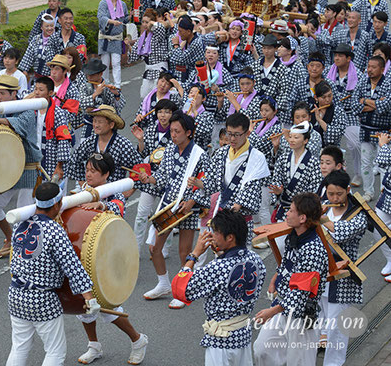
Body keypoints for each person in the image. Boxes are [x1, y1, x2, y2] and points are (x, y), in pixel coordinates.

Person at [6, 182, 99, 366]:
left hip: (16, 295)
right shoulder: (55, 230)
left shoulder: (20, 224)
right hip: (42, 300)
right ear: (57, 204)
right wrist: (89, 297)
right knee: (55, 352)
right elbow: (72, 266)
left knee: (19, 347)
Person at [74, 153, 149, 365]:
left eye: (94, 171)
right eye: (87, 169)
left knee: (109, 309)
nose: (88, 174)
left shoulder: (115, 193)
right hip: (84, 255)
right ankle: (94, 345)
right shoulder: (82, 192)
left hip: (108, 259)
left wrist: (102, 206)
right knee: (85, 306)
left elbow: (118, 208)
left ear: (106, 174)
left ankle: (138, 339)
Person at [171, 209, 266, 365]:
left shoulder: (217, 267)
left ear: (230, 238)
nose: (211, 235)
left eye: (215, 232)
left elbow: (181, 289)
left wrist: (194, 254)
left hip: (221, 341)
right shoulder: (256, 260)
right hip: (243, 336)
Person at [139, 111, 213, 309]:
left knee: (184, 252)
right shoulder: (170, 150)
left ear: (189, 132)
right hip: (168, 204)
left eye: (177, 131)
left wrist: (193, 201)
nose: (173, 135)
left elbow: (207, 184)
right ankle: (163, 283)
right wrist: (151, 179)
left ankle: (183, 290)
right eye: (171, 131)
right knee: (154, 247)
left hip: (186, 207)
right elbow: (162, 178)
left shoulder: (200, 155)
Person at [253, 193, 328, 366]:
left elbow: (301, 293)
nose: (286, 213)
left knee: (299, 362)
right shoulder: (294, 236)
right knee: (262, 350)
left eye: (291, 210)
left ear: (302, 218)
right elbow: (287, 265)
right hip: (284, 307)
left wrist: (272, 312)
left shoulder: (313, 250)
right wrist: (275, 278)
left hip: (301, 315)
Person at [0, 75, 42, 259]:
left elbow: (22, 125)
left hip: (28, 168)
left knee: (23, 212)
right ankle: (10, 238)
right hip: (8, 169)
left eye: (2, 93)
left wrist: (0, 121)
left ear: (14, 93)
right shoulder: (0, 111)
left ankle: (25, 251)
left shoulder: (27, 110)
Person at [319, 170, 367, 365]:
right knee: (318, 320)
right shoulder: (324, 207)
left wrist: (320, 219)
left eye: (339, 193)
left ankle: (334, 364)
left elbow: (340, 233)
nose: (335, 198)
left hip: (342, 276)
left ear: (348, 190)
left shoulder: (359, 214)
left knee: (336, 328)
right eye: (331, 194)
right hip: (320, 272)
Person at [205, 112, 270, 245]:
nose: (232, 139)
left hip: (240, 216)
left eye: (236, 134)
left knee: (242, 254)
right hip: (222, 213)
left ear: (247, 133)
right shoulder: (221, 153)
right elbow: (211, 181)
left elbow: (252, 186)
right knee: (221, 254)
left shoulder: (257, 157)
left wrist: (236, 207)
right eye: (229, 134)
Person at [131, 98, 178, 248]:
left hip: (169, 178)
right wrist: (140, 141)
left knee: (166, 216)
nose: (163, 115)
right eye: (160, 112)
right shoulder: (150, 130)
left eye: (167, 112)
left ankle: (164, 248)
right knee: (141, 215)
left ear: (173, 114)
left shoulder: (177, 131)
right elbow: (144, 153)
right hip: (150, 177)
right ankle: (136, 248)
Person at [67, 105, 142, 185]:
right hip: (93, 193)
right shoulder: (90, 141)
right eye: (94, 121)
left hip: (114, 192)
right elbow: (74, 161)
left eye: (100, 122)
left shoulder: (123, 144)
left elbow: (140, 168)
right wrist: (83, 183)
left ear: (111, 125)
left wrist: (127, 191)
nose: (96, 125)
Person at [270, 121, 321, 232]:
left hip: (303, 213)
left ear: (305, 140)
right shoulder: (283, 158)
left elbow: (315, 189)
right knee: (280, 244)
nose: (292, 140)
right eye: (291, 137)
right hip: (285, 209)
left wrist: (304, 206)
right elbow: (276, 178)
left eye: (296, 137)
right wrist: (278, 190)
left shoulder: (313, 162)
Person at [352, 56, 391, 202]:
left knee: (384, 163)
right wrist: (374, 103)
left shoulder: (388, 83)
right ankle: (368, 191)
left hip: (383, 130)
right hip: (365, 129)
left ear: (382, 69)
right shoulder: (363, 81)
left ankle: (384, 192)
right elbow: (354, 104)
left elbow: (386, 106)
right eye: (368, 66)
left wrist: (365, 102)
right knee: (366, 163)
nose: (369, 70)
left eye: (373, 67)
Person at [325, 43, 362, 186]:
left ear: (348, 58)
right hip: (331, 112)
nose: (337, 58)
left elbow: (359, 97)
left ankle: (358, 174)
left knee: (355, 144)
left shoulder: (358, 74)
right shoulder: (329, 70)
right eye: (335, 55)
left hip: (350, 113)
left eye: (340, 55)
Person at [29, 76, 72, 181]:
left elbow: (63, 139)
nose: (37, 92)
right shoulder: (31, 110)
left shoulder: (58, 113)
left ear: (50, 93)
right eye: (36, 89)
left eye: (41, 90)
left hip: (52, 161)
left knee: (54, 194)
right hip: (35, 160)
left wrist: (59, 166)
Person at [248, 97, 282, 228]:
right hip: (256, 168)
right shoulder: (261, 124)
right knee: (254, 204)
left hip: (267, 170)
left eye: (267, 110)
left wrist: (250, 132)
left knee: (263, 206)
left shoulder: (277, 127)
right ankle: (258, 232)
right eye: (262, 110)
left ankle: (268, 235)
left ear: (275, 111)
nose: (263, 113)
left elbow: (260, 146)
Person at [127, 8, 172, 98]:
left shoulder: (158, 35)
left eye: (146, 22)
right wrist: (128, 45)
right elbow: (133, 57)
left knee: (159, 96)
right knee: (144, 95)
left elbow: (160, 28)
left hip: (160, 68)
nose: (144, 25)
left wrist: (152, 23)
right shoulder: (142, 38)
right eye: (143, 22)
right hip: (148, 70)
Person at [80, 58, 125, 140]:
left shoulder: (108, 86)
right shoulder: (84, 86)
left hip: (105, 126)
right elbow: (81, 104)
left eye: (92, 75)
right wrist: (95, 94)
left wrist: (116, 94)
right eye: (88, 75)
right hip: (90, 124)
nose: (89, 77)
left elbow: (115, 108)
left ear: (100, 74)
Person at [97, 0, 129, 89]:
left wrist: (131, 16)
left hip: (117, 37)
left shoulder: (122, 4)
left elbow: (125, 19)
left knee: (116, 62)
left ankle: (117, 85)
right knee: (105, 63)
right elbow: (101, 17)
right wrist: (112, 21)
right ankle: (105, 83)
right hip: (105, 37)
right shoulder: (103, 3)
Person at [276, 37, 308, 126]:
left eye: (282, 47)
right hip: (277, 108)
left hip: (291, 109)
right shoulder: (278, 64)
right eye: (279, 46)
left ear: (290, 51)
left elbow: (303, 91)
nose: (279, 49)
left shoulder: (298, 67)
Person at [169, 15, 205, 86]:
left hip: (197, 77)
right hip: (188, 74)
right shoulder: (188, 40)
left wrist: (176, 45)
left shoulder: (196, 43)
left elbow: (180, 60)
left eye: (180, 31)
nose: (179, 34)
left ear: (188, 31)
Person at [374, 133, 391, 282]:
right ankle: (390, 259)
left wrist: (383, 145)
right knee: (378, 228)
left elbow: (382, 160)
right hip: (388, 194)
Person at [19, 13, 56, 82]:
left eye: (51, 26)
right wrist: (24, 71)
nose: (49, 28)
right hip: (36, 77)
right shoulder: (36, 39)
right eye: (47, 26)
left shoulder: (57, 40)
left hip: (52, 78)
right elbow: (28, 56)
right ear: (41, 27)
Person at [47, 54, 81, 124]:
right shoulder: (44, 83)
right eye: (52, 68)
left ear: (65, 71)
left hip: (61, 126)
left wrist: (49, 109)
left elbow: (70, 115)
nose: (53, 72)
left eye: (57, 69)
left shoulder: (72, 90)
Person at [311, 81, 346, 147]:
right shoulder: (310, 110)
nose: (327, 100)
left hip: (331, 149)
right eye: (323, 97)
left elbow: (336, 135)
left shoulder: (338, 111)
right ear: (316, 98)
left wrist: (319, 120)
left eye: (330, 96)